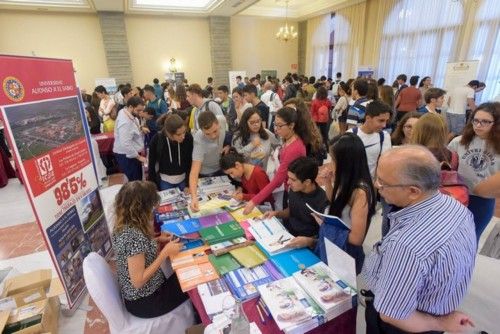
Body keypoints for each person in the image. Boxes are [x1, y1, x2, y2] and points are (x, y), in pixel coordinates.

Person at [362, 145, 476, 334]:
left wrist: (443, 323)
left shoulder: (407, 246)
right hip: (432, 308)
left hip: (409, 322)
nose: (376, 185)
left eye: (383, 183)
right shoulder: (456, 208)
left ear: (414, 191)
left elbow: (393, 314)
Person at [112, 181, 195, 323]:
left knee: (186, 271)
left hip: (145, 293)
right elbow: (138, 281)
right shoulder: (132, 236)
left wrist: (157, 239)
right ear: (141, 208)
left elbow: (138, 251)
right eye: (151, 207)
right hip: (146, 301)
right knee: (192, 279)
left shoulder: (124, 223)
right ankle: (198, 320)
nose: (153, 211)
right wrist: (164, 253)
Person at [321, 133, 376, 274]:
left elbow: (356, 239)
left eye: (333, 159)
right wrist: (328, 182)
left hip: (345, 252)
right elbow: (337, 201)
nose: (330, 162)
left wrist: (326, 226)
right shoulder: (346, 178)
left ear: (346, 161)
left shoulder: (361, 192)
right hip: (335, 246)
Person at [448, 102, 500, 240]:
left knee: (471, 239)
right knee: (449, 238)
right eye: (475, 120)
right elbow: (447, 169)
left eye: (485, 122)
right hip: (456, 196)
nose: (478, 125)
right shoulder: (459, 141)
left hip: (483, 200)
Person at [243, 107, 307, 214]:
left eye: (280, 125)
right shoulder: (287, 139)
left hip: (296, 190)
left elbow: (278, 181)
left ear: (291, 125)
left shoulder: (294, 148)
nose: (276, 129)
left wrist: (254, 201)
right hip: (289, 187)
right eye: (275, 124)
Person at [263, 156, 329, 242]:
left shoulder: (322, 202)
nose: (288, 182)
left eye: (293, 180)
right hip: (288, 234)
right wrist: (277, 213)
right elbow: (292, 210)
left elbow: (325, 236)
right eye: (288, 178)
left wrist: (309, 241)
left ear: (307, 182)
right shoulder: (295, 189)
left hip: (307, 242)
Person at [189, 111, 232, 211]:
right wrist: (194, 197)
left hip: (221, 168)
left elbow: (230, 134)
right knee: (210, 207)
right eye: (207, 134)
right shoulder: (198, 140)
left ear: (218, 123)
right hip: (206, 173)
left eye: (215, 131)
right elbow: (194, 172)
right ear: (201, 130)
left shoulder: (222, 119)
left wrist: (228, 145)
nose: (213, 136)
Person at [348, 99, 392, 179]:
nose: (384, 125)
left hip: (372, 185)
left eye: (386, 121)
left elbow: (384, 164)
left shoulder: (384, 136)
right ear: (368, 118)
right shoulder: (350, 135)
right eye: (381, 120)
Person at [148, 114, 193, 191]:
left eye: (184, 132)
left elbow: (190, 162)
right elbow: (152, 165)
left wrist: (188, 184)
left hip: (183, 181)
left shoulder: (188, 138)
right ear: (169, 133)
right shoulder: (157, 140)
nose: (183, 136)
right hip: (165, 181)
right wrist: (153, 187)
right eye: (178, 134)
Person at [113, 96, 148, 181]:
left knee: (137, 177)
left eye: (141, 110)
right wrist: (139, 157)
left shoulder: (126, 112)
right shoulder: (125, 122)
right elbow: (125, 144)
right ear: (130, 107)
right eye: (138, 110)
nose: (140, 113)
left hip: (132, 154)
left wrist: (140, 128)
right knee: (134, 181)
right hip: (127, 155)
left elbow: (133, 127)